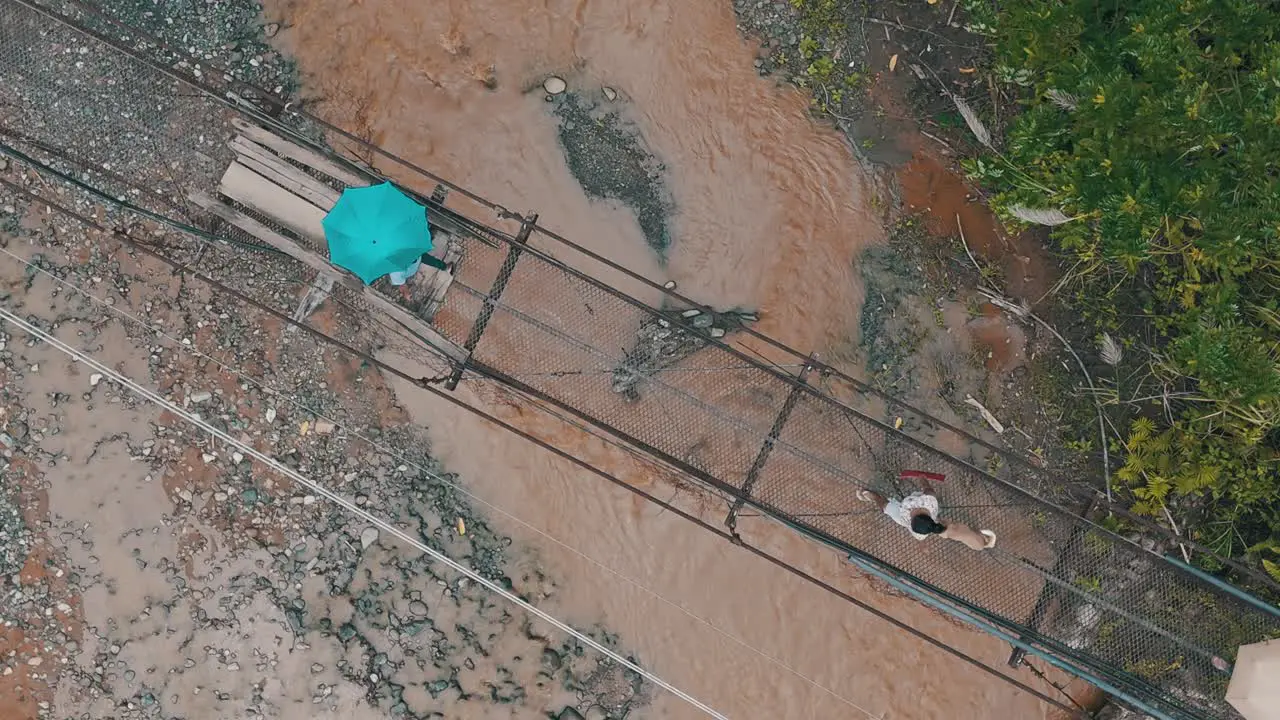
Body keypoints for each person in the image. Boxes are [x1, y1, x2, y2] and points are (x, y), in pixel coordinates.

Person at [857, 478, 997, 551]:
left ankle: (872, 496)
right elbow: (928, 489)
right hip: (922, 508)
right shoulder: (930, 501)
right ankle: (983, 537)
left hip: (905, 513)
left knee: (886, 507)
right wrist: (922, 478)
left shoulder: (907, 516)